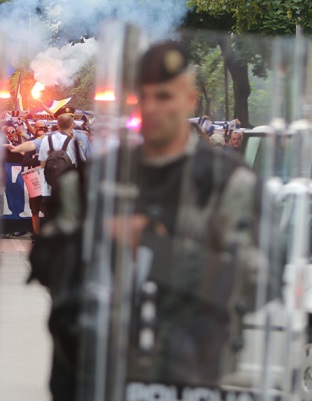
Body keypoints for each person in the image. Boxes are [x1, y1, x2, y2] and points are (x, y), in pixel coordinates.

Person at [30, 40, 273, 400]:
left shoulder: (227, 182)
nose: (154, 107)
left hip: (189, 369)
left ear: (189, 101)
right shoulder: (98, 176)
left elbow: (259, 277)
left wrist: (159, 250)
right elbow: (48, 259)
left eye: (166, 96)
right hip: (97, 364)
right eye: (146, 96)